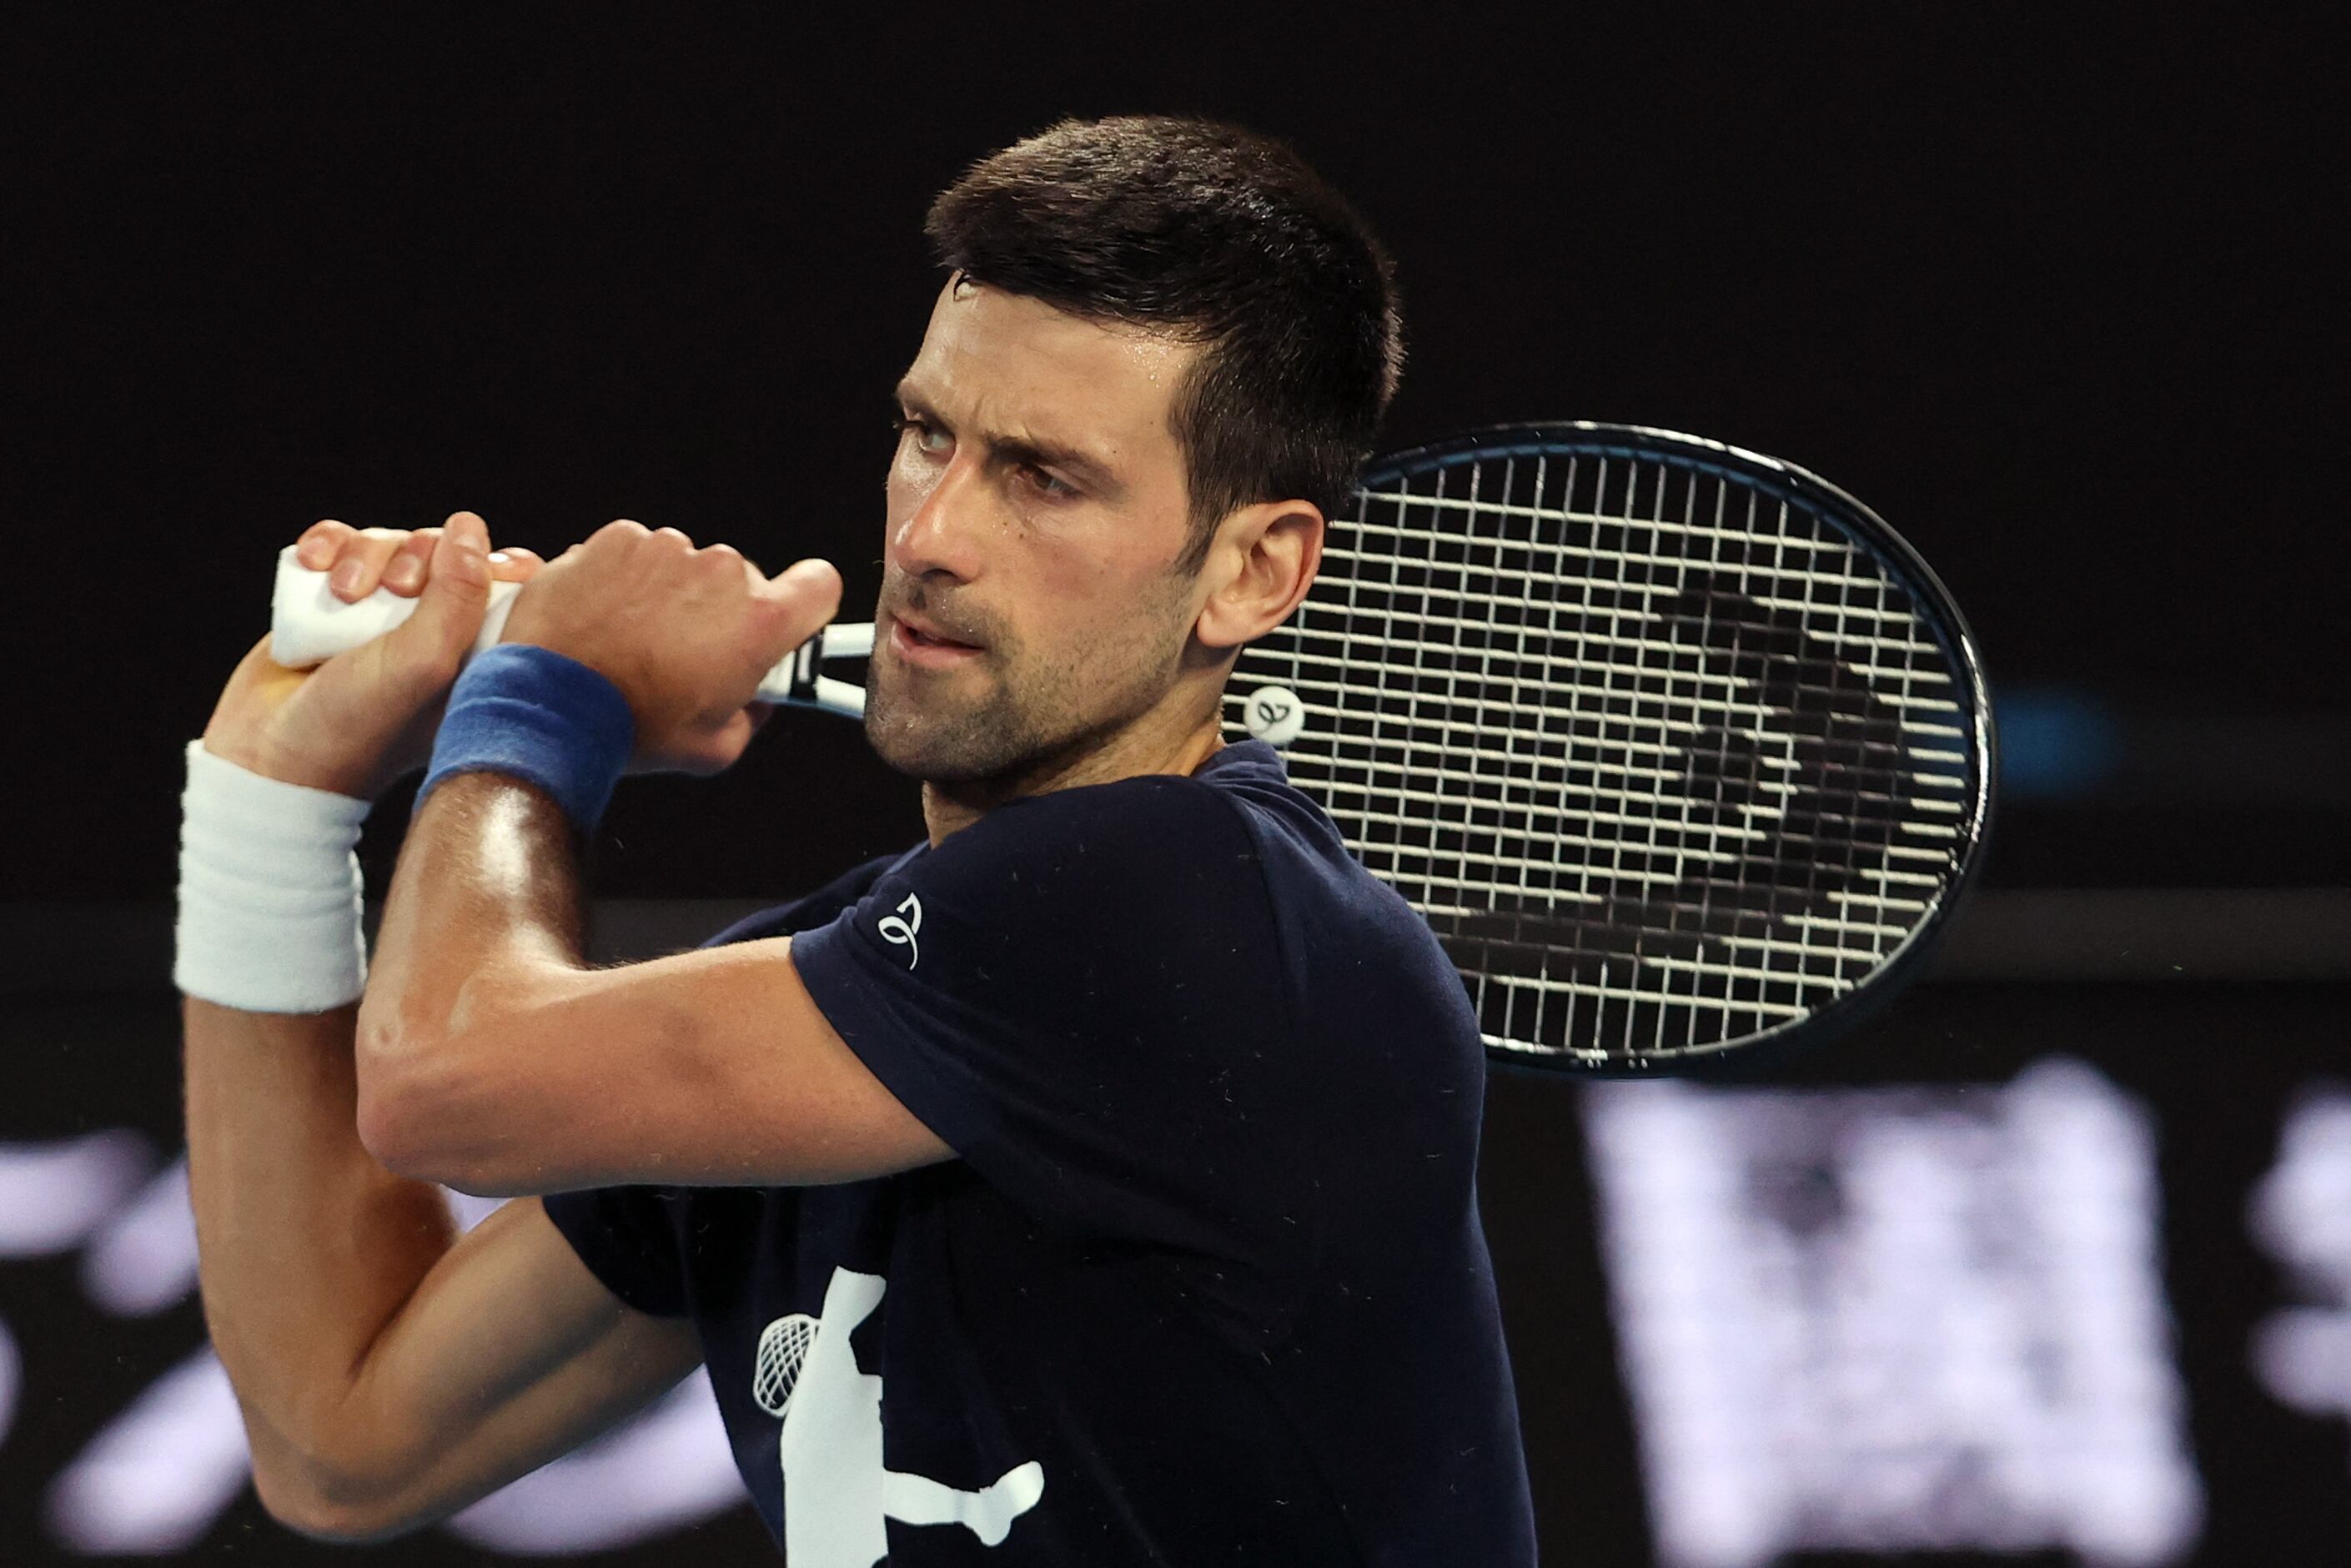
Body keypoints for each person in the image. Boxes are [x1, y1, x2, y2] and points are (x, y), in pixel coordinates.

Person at [178, 114, 1538, 1564]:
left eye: (1045, 477)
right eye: (928, 434)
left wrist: (547, 692)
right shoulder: (851, 998)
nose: (932, 532)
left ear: (1255, 570)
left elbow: (440, 1082)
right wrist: (271, 792)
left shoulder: (1198, 901)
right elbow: (341, 1440)